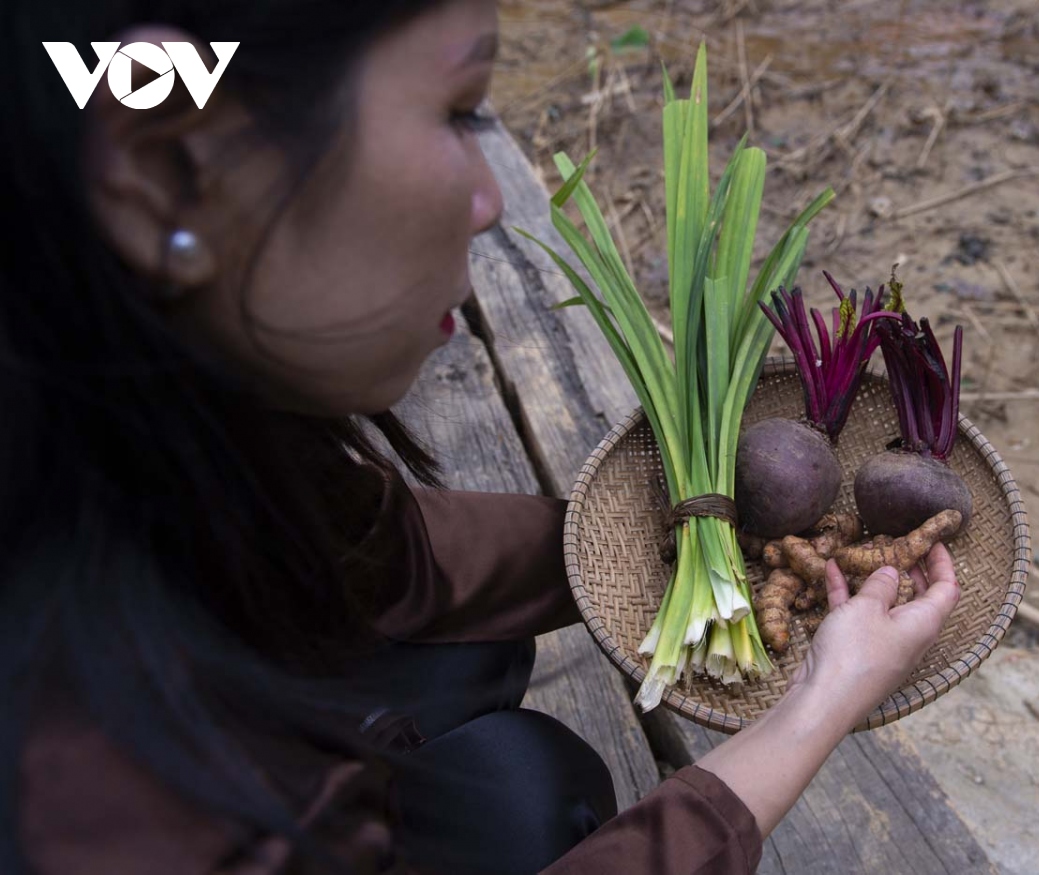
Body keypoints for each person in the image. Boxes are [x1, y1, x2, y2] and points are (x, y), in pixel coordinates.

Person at [2, 0, 961, 872]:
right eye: (459, 110)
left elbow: (371, 548)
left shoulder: (121, 421)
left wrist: (652, 536)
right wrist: (816, 709)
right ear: (172, 163)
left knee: (475, 675)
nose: (493, 201)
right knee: (523, 793)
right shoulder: (101, 800)